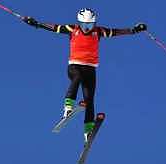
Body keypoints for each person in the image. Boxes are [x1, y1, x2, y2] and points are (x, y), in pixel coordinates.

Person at [22, 8, 147, 142]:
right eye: (84, 25)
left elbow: (116, 32)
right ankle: (68, 107)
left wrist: (134, 30)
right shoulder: (72, 29)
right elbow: (54, 27)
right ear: (79, 23)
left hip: (90, 69)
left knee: (89, 100)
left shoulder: (98, 31)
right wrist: (37, 24)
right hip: (75, 66)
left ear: (93, 23)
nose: (87, 28)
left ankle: (88, 131)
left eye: (89, 25)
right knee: (77, 78)